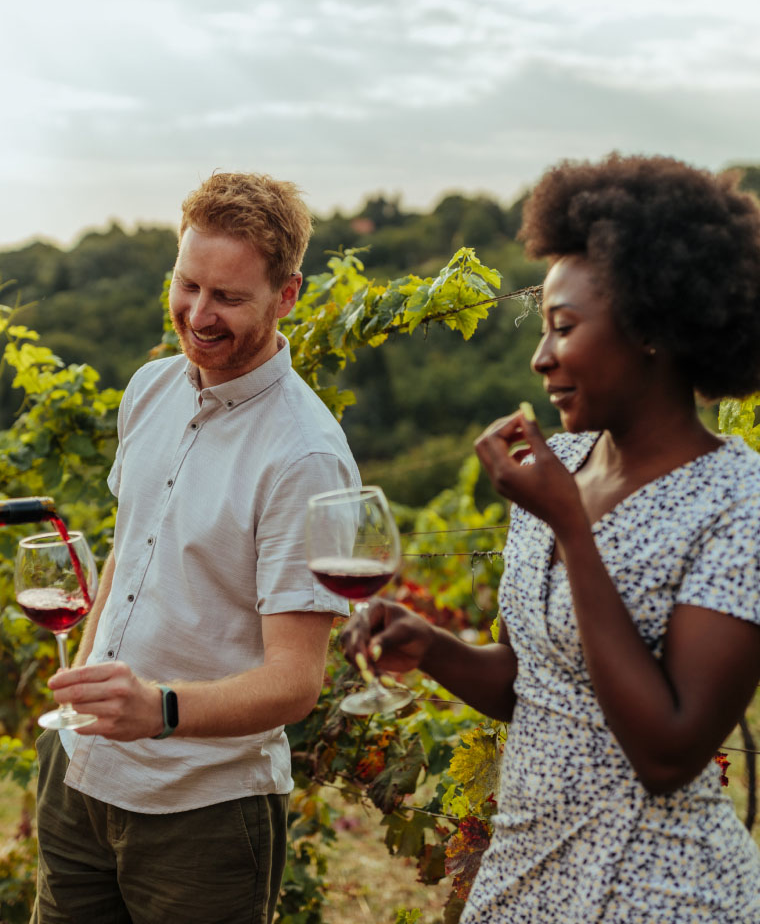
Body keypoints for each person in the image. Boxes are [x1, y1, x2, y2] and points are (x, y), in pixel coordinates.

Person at [342, 154, 760, 922]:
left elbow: (670, 753)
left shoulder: (738, 505)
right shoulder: (559, 464)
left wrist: (571, 527)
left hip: (659, 890)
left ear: (653, 330)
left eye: (563, 329)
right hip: (526, 878)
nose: (540, 359)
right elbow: (536, 686)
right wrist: (432, 646)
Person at [33, 171, 360, 924]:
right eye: (188, 285)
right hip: (80, 777)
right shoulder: (150, 388)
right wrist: (83, 678)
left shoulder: (305, 457)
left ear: (289, 296)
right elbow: (126, 554)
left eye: (229, 298)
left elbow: (296, 680)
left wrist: (162, 710)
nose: (199, 314)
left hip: (200, 817)